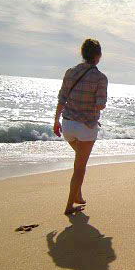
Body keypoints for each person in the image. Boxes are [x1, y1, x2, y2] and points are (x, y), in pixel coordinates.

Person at [54, 39, 108, 215]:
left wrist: (56, 121)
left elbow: (62, 98)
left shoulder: (70, 72)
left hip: (68, 125)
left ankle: (78, 195)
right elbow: (100, 105)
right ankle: (69, 205)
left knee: (78, 159)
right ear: (98, 56)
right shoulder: (100, 78)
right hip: (86, 126)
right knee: (80, 167)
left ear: (83, 53)